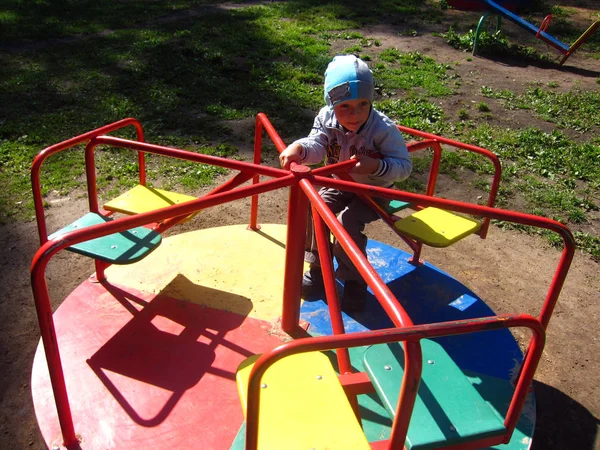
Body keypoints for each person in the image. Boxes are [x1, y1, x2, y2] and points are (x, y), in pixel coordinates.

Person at [279, 54, 412, 312]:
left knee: (346, 221)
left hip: (374, 190)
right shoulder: (326, 118)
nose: (355, 114)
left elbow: (404, 167)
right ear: (332, 103)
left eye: (363, 104)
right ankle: (319, 269)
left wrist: (377, 167)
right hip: (340, 183)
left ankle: (354, 281)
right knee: (315, 206)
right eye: (345, 107)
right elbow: (317, 144)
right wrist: (299, 148)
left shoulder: (382, 129)